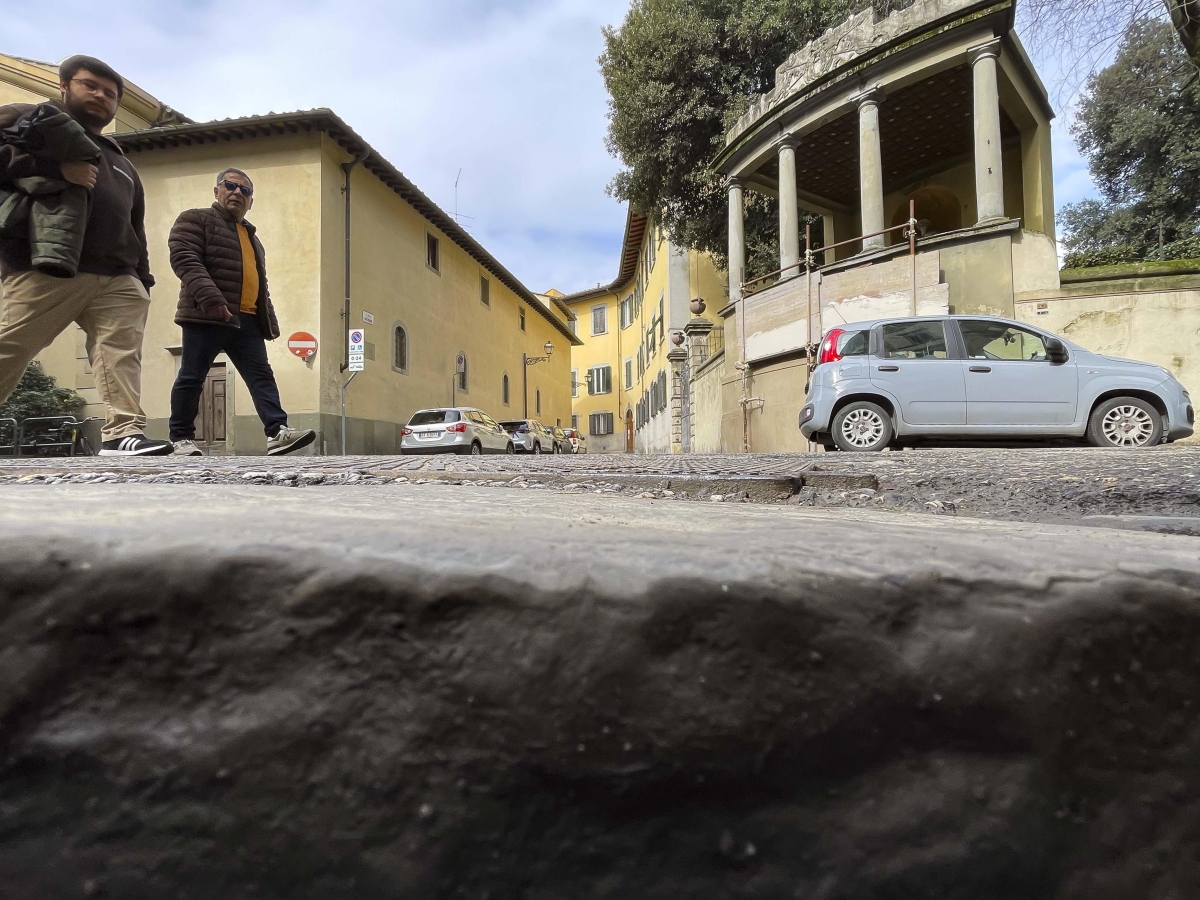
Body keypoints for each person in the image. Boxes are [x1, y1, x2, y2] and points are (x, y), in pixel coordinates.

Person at [0, 56, 172, 455]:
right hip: (47, 266)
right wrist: (56, 168)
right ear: (64, 86)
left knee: (120, 356)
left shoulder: (121, 160)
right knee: (11, 347)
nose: (101, 96)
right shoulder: (30, 120)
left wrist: (141, 278)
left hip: (118, 275)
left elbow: (136, 223)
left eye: (110, 93)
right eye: (90, 85)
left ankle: (122, 433)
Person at [166, 168, 315, 456]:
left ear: (251, 201)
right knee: (192, 375)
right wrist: (212, 299)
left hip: (246, 319)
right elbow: (184, 259)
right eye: (231, 185)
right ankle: (181, 439)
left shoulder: (253, 239)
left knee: (261, 376)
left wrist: (267, 319)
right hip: (205, 314)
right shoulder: (194, 219)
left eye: (245, 190)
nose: (237, 192)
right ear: (217, 190)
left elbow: (260, 284)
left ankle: (277, 432)